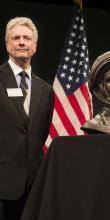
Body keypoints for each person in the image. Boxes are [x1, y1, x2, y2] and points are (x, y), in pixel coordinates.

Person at [0, 17, 54, 220]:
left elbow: (40, 133)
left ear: (35, 46)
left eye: (27, 38)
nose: (22, 42)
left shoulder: (46, 89)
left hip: (33, 184)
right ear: (7, 45)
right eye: (16, 38)